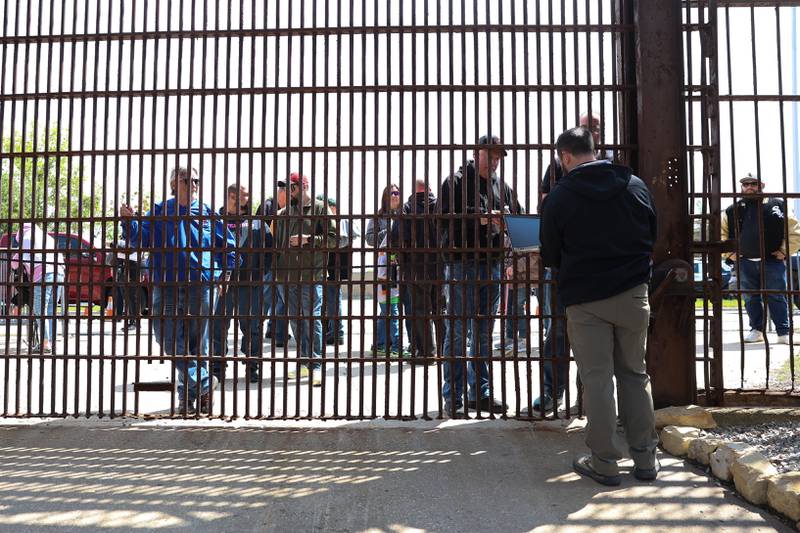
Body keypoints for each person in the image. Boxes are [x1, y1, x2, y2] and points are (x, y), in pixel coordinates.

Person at [541, 126, 659, 486]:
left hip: (586, 298)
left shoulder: (560, 196)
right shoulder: (634, 185)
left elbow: (550, 254)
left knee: (597, 380)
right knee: (635, 375)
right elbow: (651, 233)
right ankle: (645, 459)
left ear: (565, 156)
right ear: (595, 149)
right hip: (633, 294)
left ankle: (605, 462)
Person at [120, 166, 237, 414]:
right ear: (174, 183)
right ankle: (205, 383)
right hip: (167, 283)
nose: (194, 184)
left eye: (197, 179)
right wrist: (129, 222)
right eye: (188, 180)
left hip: (201, 284)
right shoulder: (161, 211)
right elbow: (140, 239)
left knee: (197, 345)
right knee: (167, 337)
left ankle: (190, 399)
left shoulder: (206, 213)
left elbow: (228, 245)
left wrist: (224, 273)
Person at [439, 134, 521, 416]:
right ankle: (454, 396)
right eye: (491, 155)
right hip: (463, 263)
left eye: (499, 157)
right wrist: (480, 217)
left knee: (484, 332)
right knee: (459, 330)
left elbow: (519, 216)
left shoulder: (503, 187)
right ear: (477, 153)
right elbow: (443, 220)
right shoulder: (456, 182)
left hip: (493, 264)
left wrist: (506, 217)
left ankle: (481, 393)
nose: (495, 162)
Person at [536, 112, 611, 413]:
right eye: (588, 127)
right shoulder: (557, 164)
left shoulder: (612, 162)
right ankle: (552, 392)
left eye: (596, 127)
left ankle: (587, 397)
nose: (593, 131)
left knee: (595, 333)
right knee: (557, 330)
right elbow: (543, 202)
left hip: (598, 259)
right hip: (564, 258)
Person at [271, 172, 337, 386]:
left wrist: (309, 239)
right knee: (296, 320)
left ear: (301, 187)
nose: (285, 191)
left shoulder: (319, 209)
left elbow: (335, 240)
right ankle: (303, 362)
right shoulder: (282, 214)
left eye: (289, 187)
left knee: (312, 319)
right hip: (285, 276)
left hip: (310, 274)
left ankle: (316, 364)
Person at [722, 173, 800, 344]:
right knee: (750, 297)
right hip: (744, 262)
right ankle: (756, 330)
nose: (749, 187)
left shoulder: (778, 205)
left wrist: (785, 251)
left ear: (762, 185)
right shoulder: (732, 209)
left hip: (772, 261)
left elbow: (794, 231)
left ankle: (783, 333)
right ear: (741, 187)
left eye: (753, 184)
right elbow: (722, 234)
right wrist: (730, 254)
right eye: (745, 184)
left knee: (777, 295)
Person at [211, 183, 273, 383]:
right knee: (219, 326)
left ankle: (252, 366)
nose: (248, 199)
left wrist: (259, 275)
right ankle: (217, 369)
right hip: (223, 284)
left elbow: (269, 250)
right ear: (231, 196)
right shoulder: (215, 222)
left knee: (253, 327)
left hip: (250, 284)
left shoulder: (257, 223)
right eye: (244, 196)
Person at [392, 178, 444, 364]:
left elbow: (396, 239)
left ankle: (427, 352)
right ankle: (445, 350)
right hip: (440, 267)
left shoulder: (406, 209)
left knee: (420, 311)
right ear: (429, 188)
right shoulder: (440, 206)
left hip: (415, 269)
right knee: (441, 310)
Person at [367, 184, 409, 357]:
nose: (394, 195)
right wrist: (388, 232)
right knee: (390, 308)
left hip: (401, 268)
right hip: (384, 270)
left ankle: (380, 343)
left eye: (397, 192)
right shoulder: (378, 217)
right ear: (385, 196)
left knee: (389, 308)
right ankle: (393, 345)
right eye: (391, 193)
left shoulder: (405, 214)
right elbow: (369, 238)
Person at [11, 223, 65, 354]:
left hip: (42, 275)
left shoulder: (27, 237)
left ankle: (45, 344)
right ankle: (51, 343)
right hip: (59, 274)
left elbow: (16, 262)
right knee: (51, 311)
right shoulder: (46, 237)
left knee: (40, 311)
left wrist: (15, 258)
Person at [317, 195, 359, 346]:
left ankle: (337, 332)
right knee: (329, 299)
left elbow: (341, 241)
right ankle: (333, 331)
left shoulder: (341, 221)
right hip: (331, 267)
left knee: (332, 298)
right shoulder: (333, 221)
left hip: (334, 267)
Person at [257, 182, 291, 347]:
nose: (283, 193)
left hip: (285, 262)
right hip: (269, 261)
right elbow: (258, 230)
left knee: (282, 299)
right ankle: (257, 329)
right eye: (281, 190)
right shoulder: (267, 206)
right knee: (266, 298)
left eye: (285, 190)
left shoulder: (292, 209)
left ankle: (278, 333)